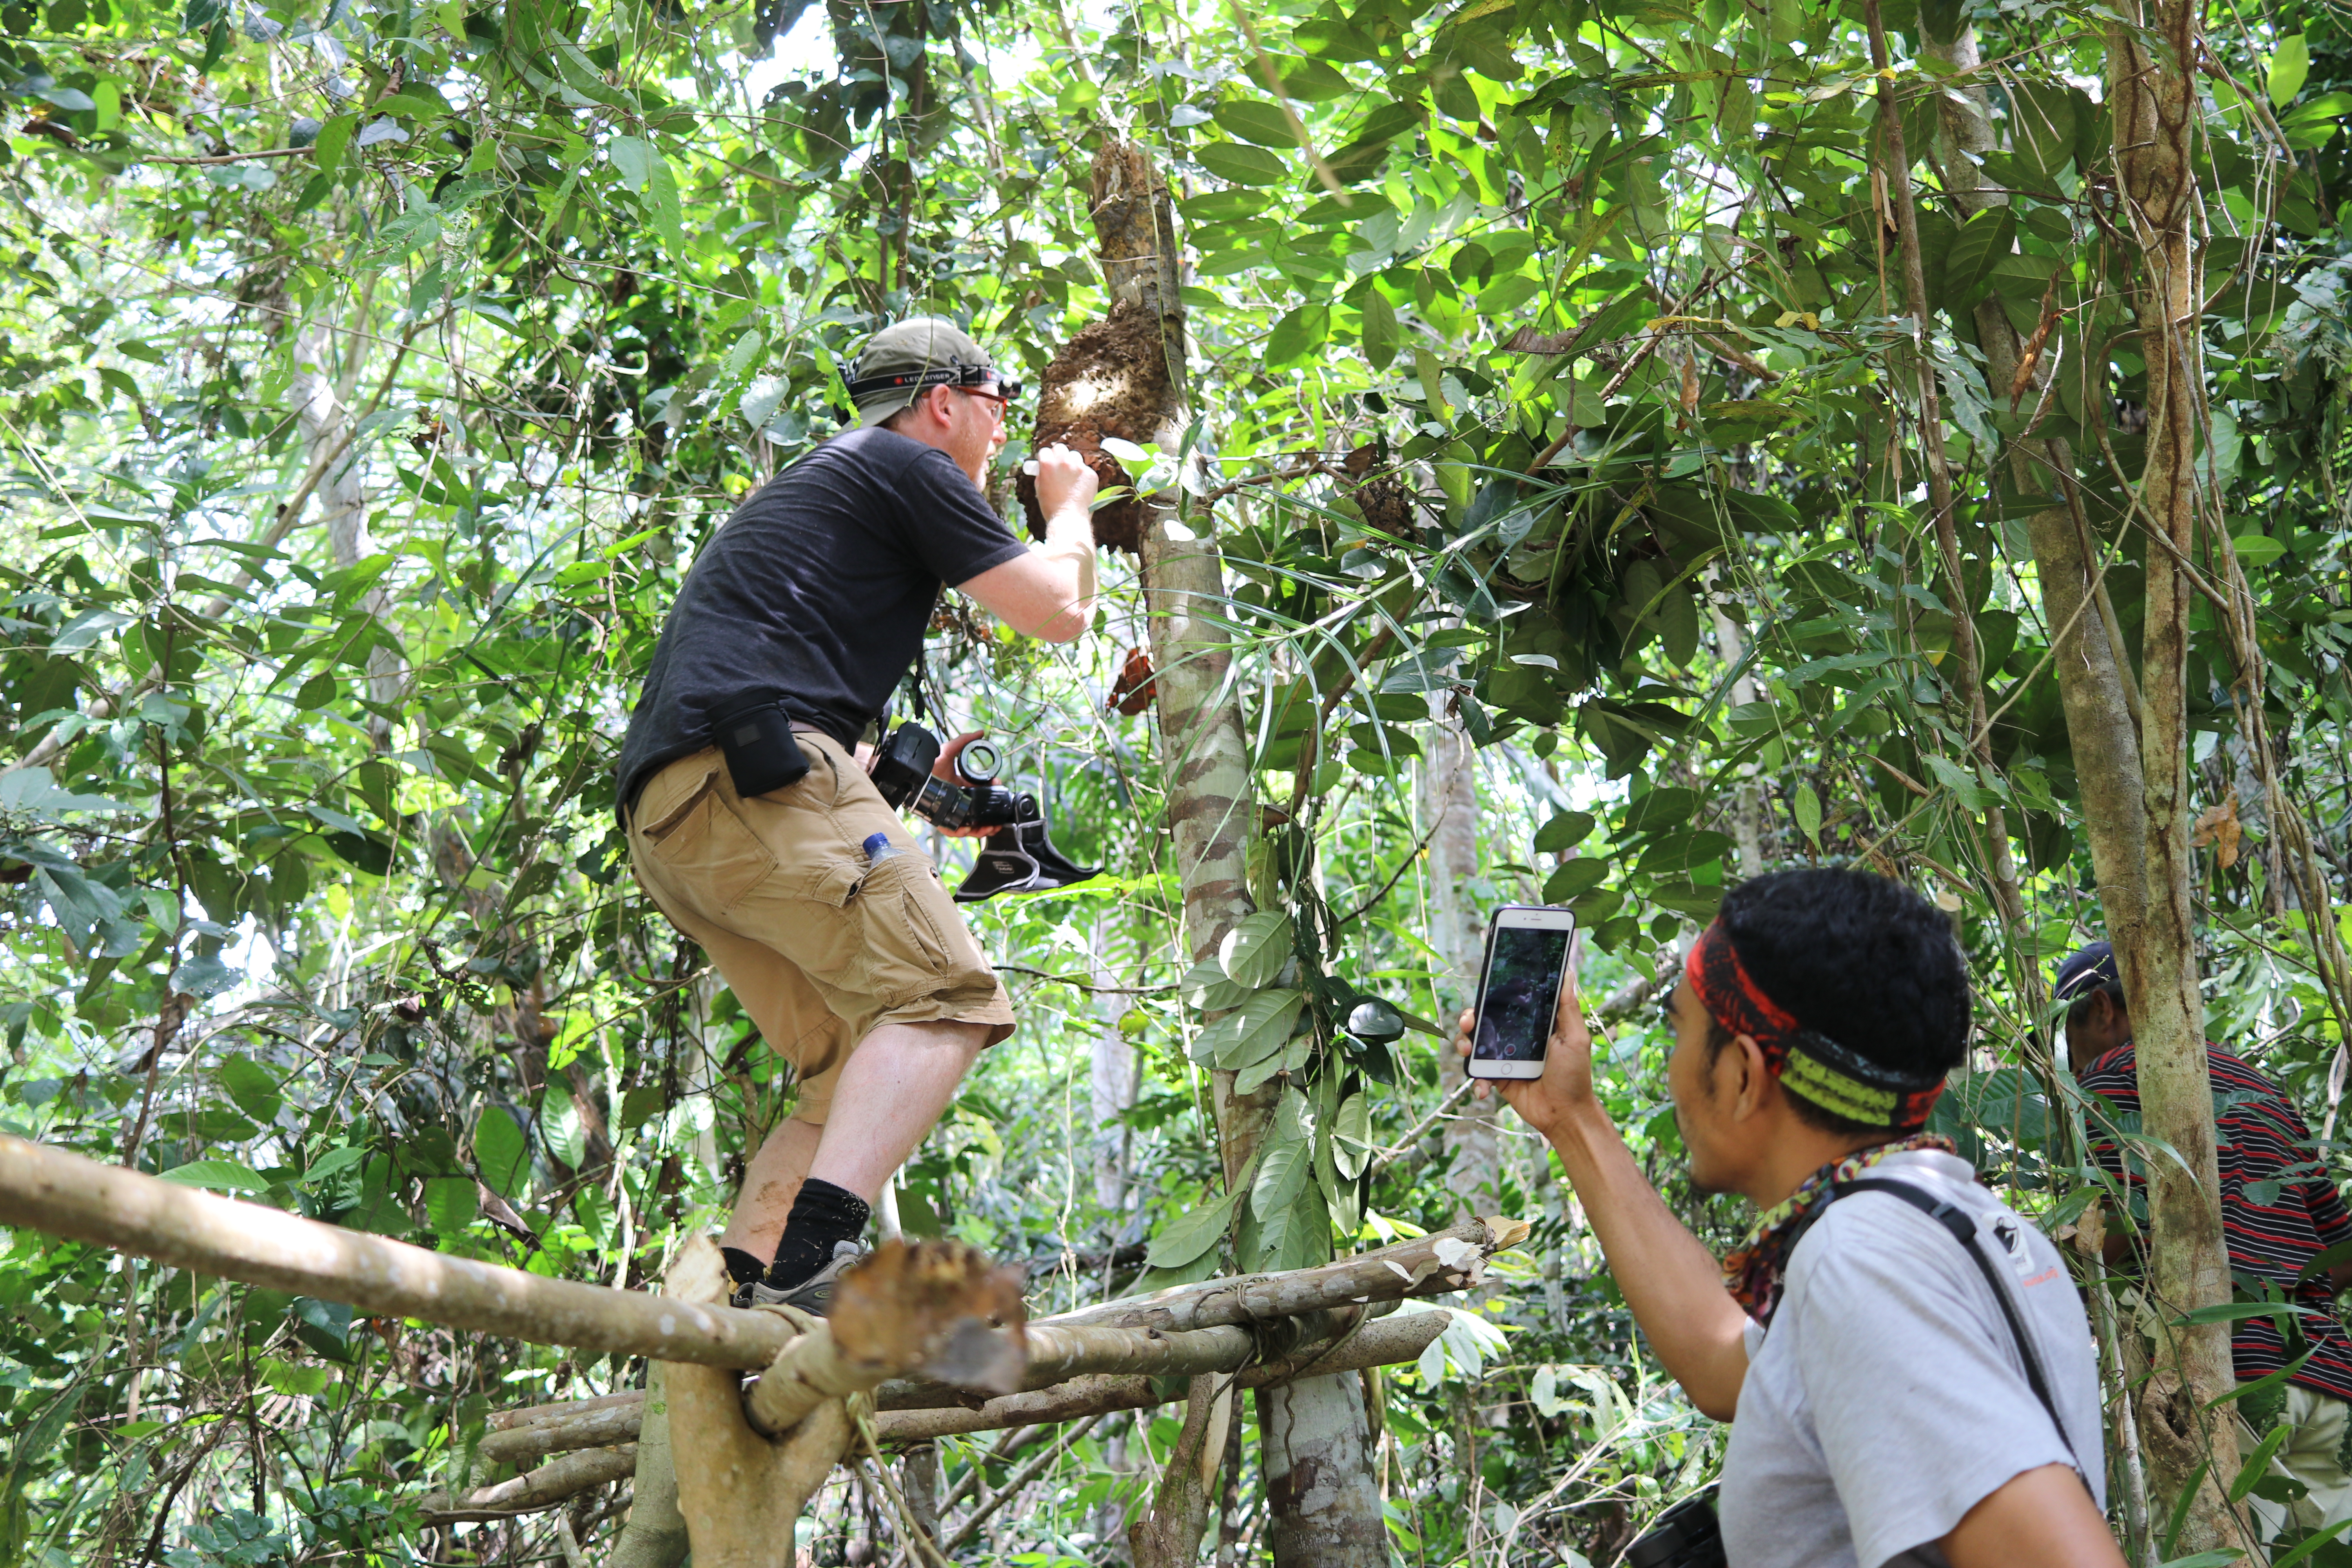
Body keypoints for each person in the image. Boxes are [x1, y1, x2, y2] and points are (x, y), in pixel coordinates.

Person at [615, 317, 1101, 1313]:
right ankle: (814, 1262)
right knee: (946, 997)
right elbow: (1061, 608)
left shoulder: (828, 485)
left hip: (678, 815)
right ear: (942, 404)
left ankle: (748, 1304)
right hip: (748, 777)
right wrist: (1073, 507)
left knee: (843, 1062)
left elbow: (780, 671)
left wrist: (918, 786)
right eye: (997, 402)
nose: (1004, 425)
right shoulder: (903, 464)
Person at [1459, 868, 2122, 1567]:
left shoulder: (1861, 1261)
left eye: (1679, 1033)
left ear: (1742, 1075)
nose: (1670, 1072)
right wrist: (1572, 1118)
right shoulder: (1967, 1224)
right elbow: (1721, 1361)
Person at [2062, 940, 2352, 1534]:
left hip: (2226, 1384)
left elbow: (2117, 1229)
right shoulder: (2263, 1089)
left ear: (2101, 1010)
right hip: (2326, 1379)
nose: (2069, 1065)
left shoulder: (2117, 1072)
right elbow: (2341, 1250)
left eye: (2064, 1042)